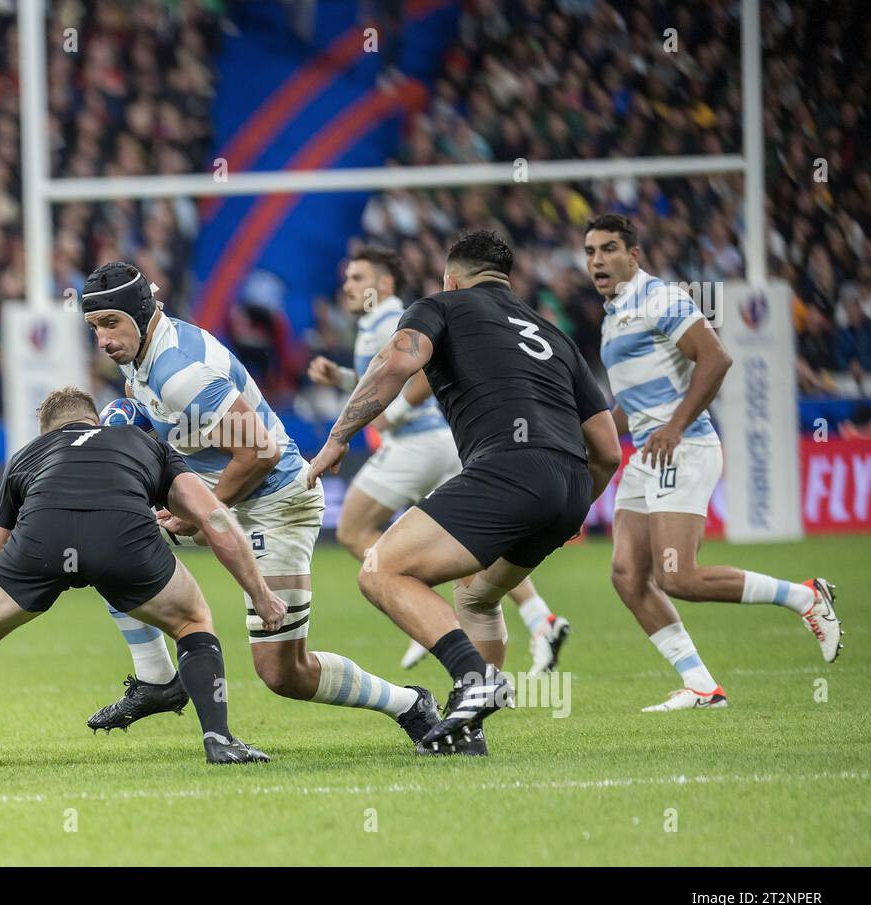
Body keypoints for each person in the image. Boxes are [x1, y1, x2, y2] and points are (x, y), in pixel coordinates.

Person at [82, 261, 443, 750]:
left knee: (282, 673)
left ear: (142, 312)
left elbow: (260, 451)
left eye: (110, 324)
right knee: (103, 543)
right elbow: (164, 415)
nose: (102, 340)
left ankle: (408, 703)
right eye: (94, 327)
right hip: (222, 497)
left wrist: (198, 513)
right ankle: (156, 680)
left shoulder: (179, 371)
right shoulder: (143, 352)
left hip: (276, 503)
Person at [308, 231, 622, 755]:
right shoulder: (553, 333)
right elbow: (608, 450)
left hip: (508, 469)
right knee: (476, 595)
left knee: (382, 568)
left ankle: (475, 679)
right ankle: (469, 729)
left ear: (451, 278)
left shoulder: (441, 306)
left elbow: (395, 366)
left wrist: (337, 438)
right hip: (571, 486)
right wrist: (568, 511)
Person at [0, 387, 282, 772]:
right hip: (124, 537)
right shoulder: (141, 441)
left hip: (42, 540)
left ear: (47, 431)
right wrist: (260, 594)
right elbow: (212, 516)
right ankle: (220, 741)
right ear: (95, 420)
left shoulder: (29, 454)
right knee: (192, 621)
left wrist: (17, 593)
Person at [585, 213, 843, 711]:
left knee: (678, 576)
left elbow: (717, 357)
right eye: (591, 251)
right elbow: (630, 408)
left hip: (683, 447)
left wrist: (676, 425)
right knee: (626, 575)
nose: (598, 259)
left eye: (609, 248)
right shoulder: (613, 314)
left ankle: (805, 595)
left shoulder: (658, 297)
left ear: (634, 255)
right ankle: (703, 686)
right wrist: (580, 436)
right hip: (648, 453)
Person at [307, 245, 573, 673]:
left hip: (418, 445)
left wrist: (386, 415)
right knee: (470, 546)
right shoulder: (379, 320)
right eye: (347, 278)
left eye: (357, 278)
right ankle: (539, 618)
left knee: (356, 529)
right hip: (449, 444)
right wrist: (340, 379)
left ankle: (427, 617)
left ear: (385, 283)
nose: (347, 286)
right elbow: (378, 379)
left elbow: (417, 378)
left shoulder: (399, 316)